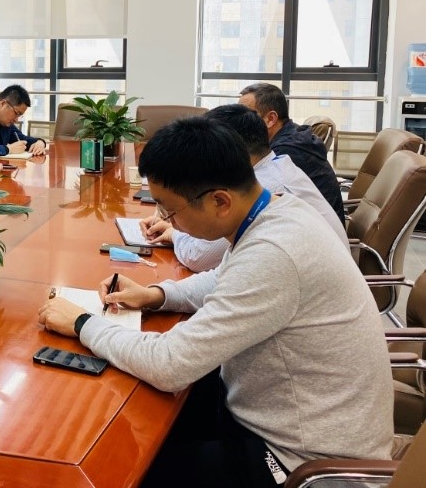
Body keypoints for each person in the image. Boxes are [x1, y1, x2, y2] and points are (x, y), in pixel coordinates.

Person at [38, 116, 392, 487]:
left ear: (220, 201)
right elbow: (225, 278)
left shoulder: (275, 252)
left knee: (128, 466)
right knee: (151, 420)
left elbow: (170, 364)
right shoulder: (279, 210)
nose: (168, 221)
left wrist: (82, 323)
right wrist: (156, 295)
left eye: (170, 211)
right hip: (279, 417)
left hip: (302, 463)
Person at [140, 103, 348, 271]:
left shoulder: (264, 190)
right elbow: (222, 271)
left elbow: (200, 257)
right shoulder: (274, 166)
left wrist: (174, 233)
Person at [238, 82, 346, 224]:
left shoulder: (286, 152)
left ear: (271, 119)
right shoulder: (292, 136)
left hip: (317, 231)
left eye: (245, 116)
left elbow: (250, 199)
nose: (238, 122)